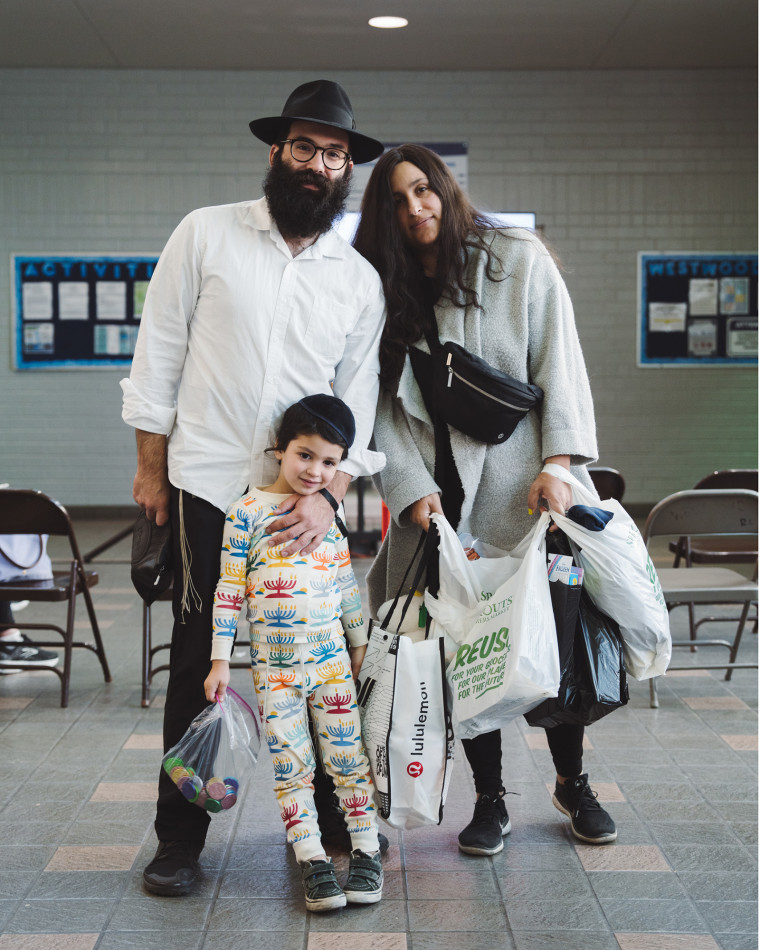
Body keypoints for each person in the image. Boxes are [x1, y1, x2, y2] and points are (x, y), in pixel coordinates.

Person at [121, 80, 387, 896]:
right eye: (303, 147)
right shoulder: (206, 234)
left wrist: (327, 492)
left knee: (323, 658)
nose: (318, 162)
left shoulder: (358, 278)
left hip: (302, 504)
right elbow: (158, 353)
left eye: (334, 152)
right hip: (205, 487)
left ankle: (334, 827)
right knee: (200, 658)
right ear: (276, 153)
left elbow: (359, 397)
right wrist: (148, 467)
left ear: (348, 169)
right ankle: (179, 840)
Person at [353, 144, 617, 856]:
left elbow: (559, 361)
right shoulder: (382, 287)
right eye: (398, 201)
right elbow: (377, 404)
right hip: (438, 508)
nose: (416, 209)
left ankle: (573, 780)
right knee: (467, 651)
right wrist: (411, 492)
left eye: (423, 191)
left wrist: (559, 463)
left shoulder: (515, 258)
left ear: (446, 188)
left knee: (553, 641)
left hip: (524, 491)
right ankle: (491, 800)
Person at [204, 395, 383, 912]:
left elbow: (347, 583)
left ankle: (366, 851)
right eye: (305, 455)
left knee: (348, 759)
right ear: (280, 448)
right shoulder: (247, 512)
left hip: (331, 663)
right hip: (274, 671)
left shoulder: (331, 513)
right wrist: (220, 660)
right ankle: (312, 859)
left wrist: (360, 644)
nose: (316, 471)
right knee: (292, 765)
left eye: (330, 462)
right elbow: (229, 590)